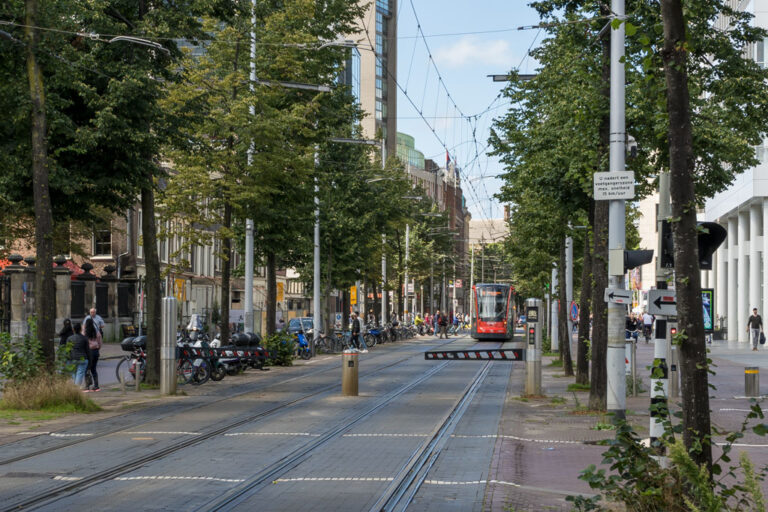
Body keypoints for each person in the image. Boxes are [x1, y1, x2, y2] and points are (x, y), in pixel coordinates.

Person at [65, 322, 91, 389]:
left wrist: (67, 359)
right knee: (80, 373)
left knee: (73, 373)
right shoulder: (84, 338)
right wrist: (90, 361)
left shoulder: (69, 338)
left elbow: (67, 350)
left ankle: (74, 388)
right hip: (82, 359)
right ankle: (76, 388)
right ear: (81, 329)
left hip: (72, 358)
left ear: (73, 329)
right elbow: (88, 351)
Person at [84, 314, 102, 391]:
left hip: (88, 352)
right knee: (94, 369)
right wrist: (98, 348)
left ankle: (87, 386)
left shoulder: (85, 333)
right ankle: (96, 386)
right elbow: (100, 342)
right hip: (96, 351)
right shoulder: (96, 332)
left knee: (87, 369)